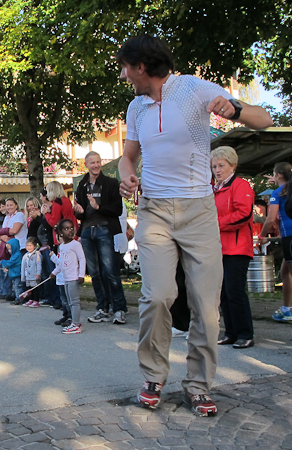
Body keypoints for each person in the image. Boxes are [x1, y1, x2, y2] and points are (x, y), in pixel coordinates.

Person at [117, 35, 273, 415]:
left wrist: (235, 108)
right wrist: (126, 177)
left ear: (141, 66)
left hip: (198, 211)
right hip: (154, 210)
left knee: (205, 304)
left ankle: (199, 384)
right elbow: (128, 157)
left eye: (125, 67)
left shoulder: (191, 88)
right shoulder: (135, 108)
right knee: (158, 295)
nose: (123, 75)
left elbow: (265, 119)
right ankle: (153, 376)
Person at [73, 151, 127, 325]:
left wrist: (98, 207)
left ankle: (119, 309)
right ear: (86, 165)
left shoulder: (111, 183)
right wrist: (78, 212)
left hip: (104, 229)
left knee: (110, 271)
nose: (96, 165)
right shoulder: (82, 185)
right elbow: (80, 214)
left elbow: (117, 209)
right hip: (87, 231)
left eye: (98, 162)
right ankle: (102, 308)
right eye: (93, 163)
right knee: (94, 273)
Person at [212, 146, 255, 349]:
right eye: (214, 167)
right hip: (220, 247)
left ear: (232, 165)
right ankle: (231, 332)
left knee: (235, 290)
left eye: (221, 165)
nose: (217, 170)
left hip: (237, 247)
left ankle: (245, 333)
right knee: (223, 293)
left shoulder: (241, 185)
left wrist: (217, 223)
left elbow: (244, 214)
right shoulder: (216, 189)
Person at [258, 162, 292, 323]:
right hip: (287, 237)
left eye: (274, 174)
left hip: (289, 237)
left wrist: (261, 236)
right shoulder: (288, 189)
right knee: (285, 272)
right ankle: (286, 309)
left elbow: (271, 219)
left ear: (278, 175)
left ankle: (287, 310)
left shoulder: (277, 193)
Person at [50, 219, 86, 334]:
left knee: (74, 302)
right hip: (66, 278)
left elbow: (82, 259)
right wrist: (54, 272)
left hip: (73, 277)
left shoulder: (76, 244)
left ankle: (76, 324)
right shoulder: (62, 246)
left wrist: (81, 275)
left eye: (71, 228)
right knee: (70, 302)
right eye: (66, 229)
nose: (70, 231)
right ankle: (73, 322)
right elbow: (61, 263)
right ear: (60, 233)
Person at [41, 181, 78, 247]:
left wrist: (46, 213)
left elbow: (54, 222)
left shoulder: (57, 203)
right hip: (72, 233)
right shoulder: (67, 200)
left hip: (63, 237)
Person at [0, 238, 24, 304]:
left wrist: (2, 262)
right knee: (15, 287)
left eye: (10, 249)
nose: (9, 251)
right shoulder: (13, 255)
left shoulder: (17, 255)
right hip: (13, 274)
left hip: (17, 274)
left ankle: (19, 299)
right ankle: (16, 297)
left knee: (18, 287)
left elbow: (11, 263)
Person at [21, 237, 42, 307]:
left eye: (30, 245)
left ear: (35, 246)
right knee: (29, 289)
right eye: (27, 245)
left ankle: (36, 300)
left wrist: (38, 273)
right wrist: (23, 276)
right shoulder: (25, 255)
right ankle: (31, 299)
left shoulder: (37, 254)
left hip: (34, 274)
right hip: (28, 275)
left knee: (35, 288)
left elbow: (39, 264)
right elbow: (23, 266)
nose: (29, 247)